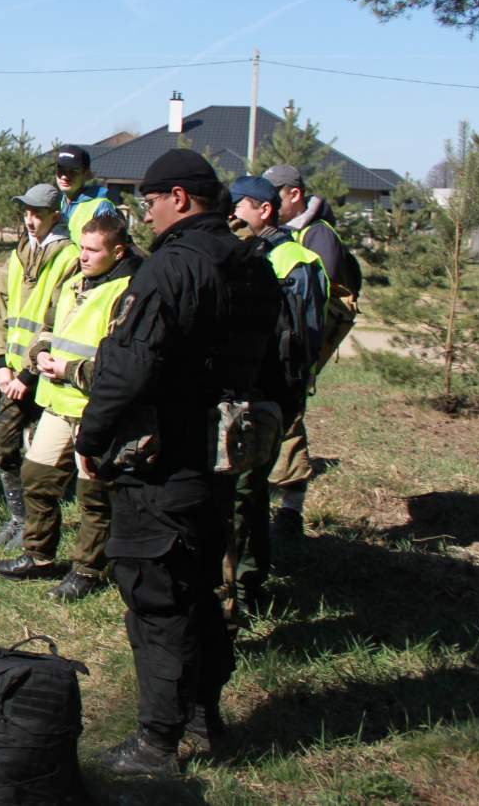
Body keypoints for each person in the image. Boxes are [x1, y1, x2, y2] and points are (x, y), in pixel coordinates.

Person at [74, 149, 281, 775]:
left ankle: (156, 743)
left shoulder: (171, 268)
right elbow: (282, 365)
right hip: (220, 462)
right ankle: (203, 715)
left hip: (160, 463)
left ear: (181, 199)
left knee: (157, 598)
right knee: (198, 589)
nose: (147, 214)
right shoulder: (252, 265)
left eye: (151, 201)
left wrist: (90, 438)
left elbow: (129, 366)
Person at [0, 212, 139, 601]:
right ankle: (38, 555)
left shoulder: (127, 292)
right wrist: (40, 353)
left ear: (118, 251)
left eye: (93, 250)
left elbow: (122, 364)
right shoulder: (74, 283)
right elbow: (47, 329)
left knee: (94, 494)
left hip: (96, 411)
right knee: (36, 477)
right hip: (56, 404)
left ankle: (87, 569)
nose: (84, 256)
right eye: (83, 248)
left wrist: (70, 369)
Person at [227, 175, 326, 611]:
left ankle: (247, 588)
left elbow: (301, 343)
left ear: (264, 210)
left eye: (239, 207)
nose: (231, 215)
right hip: (242, 392)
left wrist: (283, 401)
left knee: (247, 493)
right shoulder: (248, 250)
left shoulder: (296, 261)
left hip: (266, 393)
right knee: (239, 491)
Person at [262, 163, 361, 544]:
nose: (270, 204)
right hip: (285, 343)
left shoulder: (317, 236)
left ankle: (291, 509)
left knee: (288, 416)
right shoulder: (295, 232)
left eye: (275, 195)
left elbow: (315, 304)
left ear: (294, 194)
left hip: (296, 348)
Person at [0, 182, 80, 548]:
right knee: (4, 446)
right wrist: (0, 365)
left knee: (42, 461)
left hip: (46, 374)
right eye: (25, 211)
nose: (30, 219)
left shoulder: (69, 257)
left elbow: (61, 319)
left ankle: (37, 527)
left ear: (55, 215)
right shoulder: (18, 253)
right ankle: (17, 517)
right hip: (12, 374)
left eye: (38, 213)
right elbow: (0, 311)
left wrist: (28, 372)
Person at [54, 143, 117, 237]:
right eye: (60, 170)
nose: (64, 177)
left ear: (86, 174)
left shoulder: (101, 207)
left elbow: (107, 246)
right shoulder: (57, 203)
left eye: (73, 172)